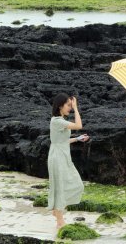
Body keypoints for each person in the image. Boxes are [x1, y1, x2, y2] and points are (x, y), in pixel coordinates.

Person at [47, 93, 90, 229]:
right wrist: (77, 109)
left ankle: (57, 212)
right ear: (60, 106)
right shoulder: (57, 121)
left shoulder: (59, 121)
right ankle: (60, 220)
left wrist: (77, 139)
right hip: (57, 157)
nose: (70, 108)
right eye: (68, 105)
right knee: (59, 187)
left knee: (76, 184)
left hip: (62, 155)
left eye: (71, 106)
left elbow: (62, 140)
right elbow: (79, 125)